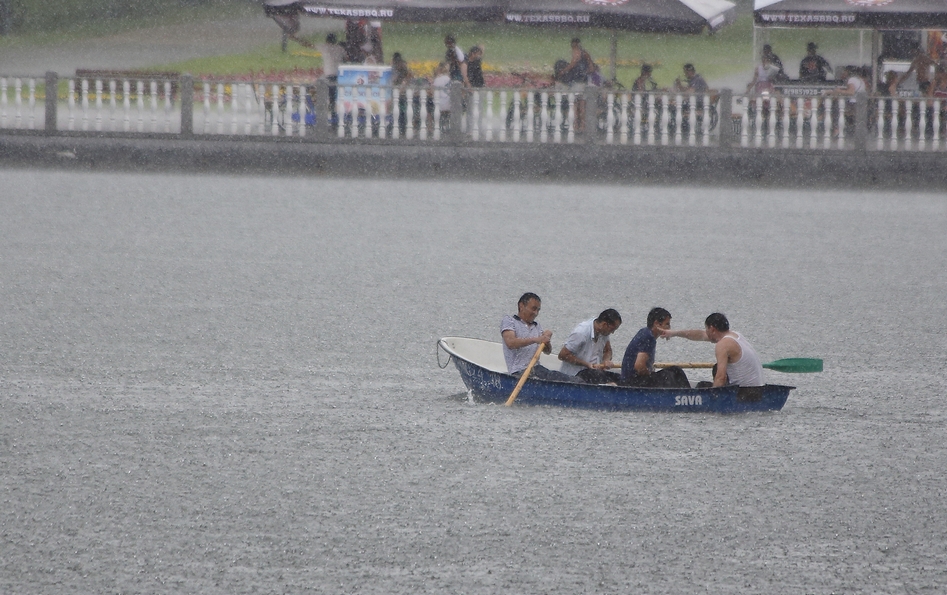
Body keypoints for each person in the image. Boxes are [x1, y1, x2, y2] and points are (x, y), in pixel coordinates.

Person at [661, 313, 763, 387]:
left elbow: (721, 378)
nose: (705, 332)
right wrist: (673, 333)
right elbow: (700, 334)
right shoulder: (736, 335)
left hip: (743, 393)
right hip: (758, 390)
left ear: (712, 329)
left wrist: (711, 397)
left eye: (706, 329)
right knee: (704, 383)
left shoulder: (723, 345)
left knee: (707, 381)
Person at [501, 293, 581, 383]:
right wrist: (536, 339)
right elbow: (511, 343)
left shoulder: (537, 326)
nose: (536, 313)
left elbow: (547, 351)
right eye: (533, 309)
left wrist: (546, 341)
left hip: (537, 368)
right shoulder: (509, 320)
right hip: (519, 371)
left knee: (574, 380)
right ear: (521, 306)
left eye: (538, 310)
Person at [619, 307, 691, 388]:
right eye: (667, 324)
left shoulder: (644, 332)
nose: (669, 328)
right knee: (670, 374)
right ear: (656, 324)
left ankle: (686, 394)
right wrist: (650, 374)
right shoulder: (649, 337)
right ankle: (687, 395)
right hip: (632, 383)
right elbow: (639, 366)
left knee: (675, 370)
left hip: (630, 380)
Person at [558, 309, 622, 384]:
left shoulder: (604, 332)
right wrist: (586, 364)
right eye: (612, 329)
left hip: (593, 373)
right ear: (604, 324)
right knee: (606, 382)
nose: (613, 332)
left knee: (620, 380)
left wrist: (606, 360)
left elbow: (607, 350)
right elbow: (562, 355)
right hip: (576, 375)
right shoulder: (581, 333)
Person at [318, 33, 345, 117]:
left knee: (328, 96)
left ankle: (329, 114)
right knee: (335, 97)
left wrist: (294, 38)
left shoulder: (324, 47)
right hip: (338, 75)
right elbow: (345, 58)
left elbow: (307, 44)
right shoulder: (340, 49)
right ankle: (334, 114)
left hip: (328, 75)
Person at [432, 62, 452, 131]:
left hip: (440, 103)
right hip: (448, 102)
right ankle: (446, 125)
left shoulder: (437, 79)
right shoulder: (449, 79)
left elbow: (433, 91)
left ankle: (440, 126)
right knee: (447, 113)